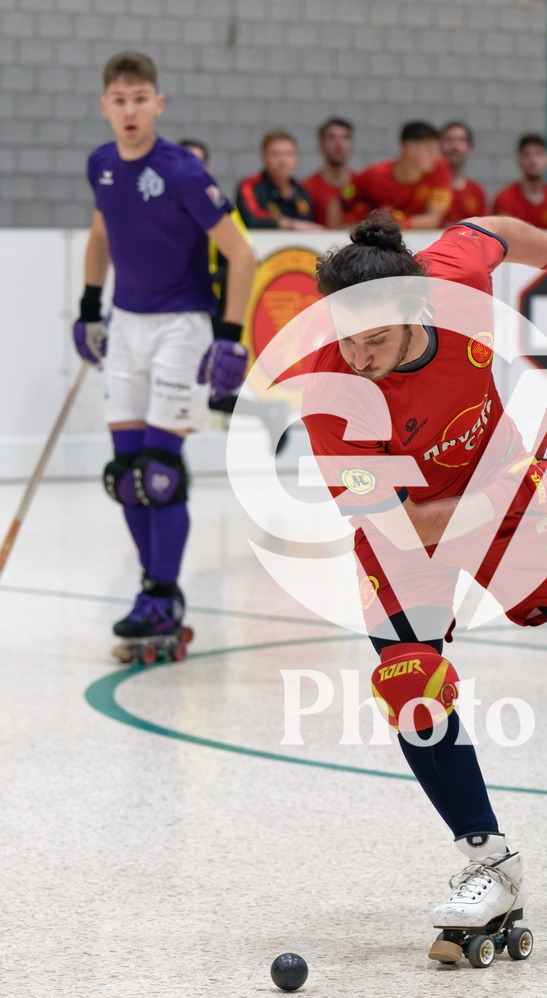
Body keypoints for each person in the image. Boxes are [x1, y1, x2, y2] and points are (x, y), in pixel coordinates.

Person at [296, 209, 547, 962]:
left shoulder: (452, 280)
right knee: (409, 680)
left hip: (510, 496)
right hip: (417, 525)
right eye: (345, 337)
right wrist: (488, 499)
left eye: (374, 339)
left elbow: (490, 231)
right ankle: (489, 861)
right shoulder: (331, 393)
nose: (357, 355)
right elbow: (399, 527)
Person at [73, 52, 256, 645]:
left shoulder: (181, 171)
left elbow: (242, 255)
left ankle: (162, 594)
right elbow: (101, 235)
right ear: (105, 106)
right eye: (119, 101)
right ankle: (152, 589)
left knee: (159, 473)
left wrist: (229, 340)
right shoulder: (101, 164)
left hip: (182, 327)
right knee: (125, 475)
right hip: (125, 325)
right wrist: (89, 307)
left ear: (158, 103)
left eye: (140, 99)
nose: (130, 111)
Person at [180, 137, 255, 414]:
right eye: (185, 162)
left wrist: (208, 280)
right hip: (170, 307)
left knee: (204, 390)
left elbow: (245, 254)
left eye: (197, 163)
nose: (191, 170)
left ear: (208, 168)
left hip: (205, 307)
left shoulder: (218, 207)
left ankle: (265, 413)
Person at [329, 120, 452, 229]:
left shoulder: (440, 169)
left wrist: (399, 222)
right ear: (409, 148)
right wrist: (336, 233)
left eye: (437, 151)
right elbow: (341, 198)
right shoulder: (376, 175)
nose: (436, 156)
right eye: (430, 150)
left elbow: (433, 219)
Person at [235, 129, 322, 230]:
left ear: (296, 158)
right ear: (264, 158)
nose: (283, 161)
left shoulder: (303, 192)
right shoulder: (250, 186)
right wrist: (291, 224)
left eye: (289, 154)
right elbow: (251, 219)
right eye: (276, 154)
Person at [492, 133, 547, 230]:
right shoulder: (505, 198)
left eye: (538, 154)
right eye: (527, 155)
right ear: (519, 161)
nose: (533, 161)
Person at [302, 117, 358, 227]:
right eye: (332, 137)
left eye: (345, 137)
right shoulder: (308, 188)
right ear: (321, 145)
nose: (339, 144)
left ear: (351, 146)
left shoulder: (362, 185)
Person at [439, 120, 488, 225]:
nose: (454, 146)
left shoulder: (476, 191)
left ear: (469, 148)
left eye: (460, 140)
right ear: (439, 145)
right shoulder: (428, 186)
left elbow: (484, 229)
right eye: (448, 140)